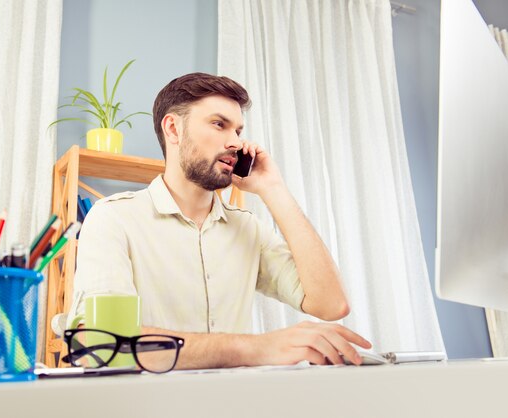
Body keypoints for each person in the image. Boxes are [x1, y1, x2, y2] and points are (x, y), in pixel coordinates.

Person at [73, 72, 371, 368]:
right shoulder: (114, 218)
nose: (236, 143)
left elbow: (331, 304)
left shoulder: (248, 228)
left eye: (239, 131)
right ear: (173, 129)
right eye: (219, 125)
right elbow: (102, 343)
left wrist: (273, 189)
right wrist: (255, 348)